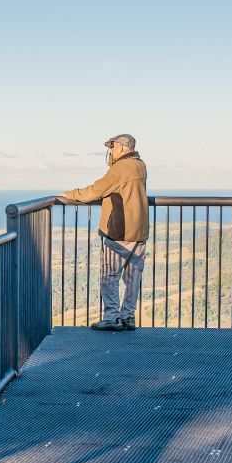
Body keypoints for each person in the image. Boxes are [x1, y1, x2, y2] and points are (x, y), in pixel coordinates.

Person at [57, 134, 148, 331]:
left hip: (120, 230)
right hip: (139, 230)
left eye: (112, 147)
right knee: (133, 277)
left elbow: (96, 190)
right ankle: (128, 316)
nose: (110, 151)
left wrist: (70, 194)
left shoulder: (121, 168)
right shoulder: (140, 165)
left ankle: (111, 317)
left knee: (110, 275)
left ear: (121, 148)